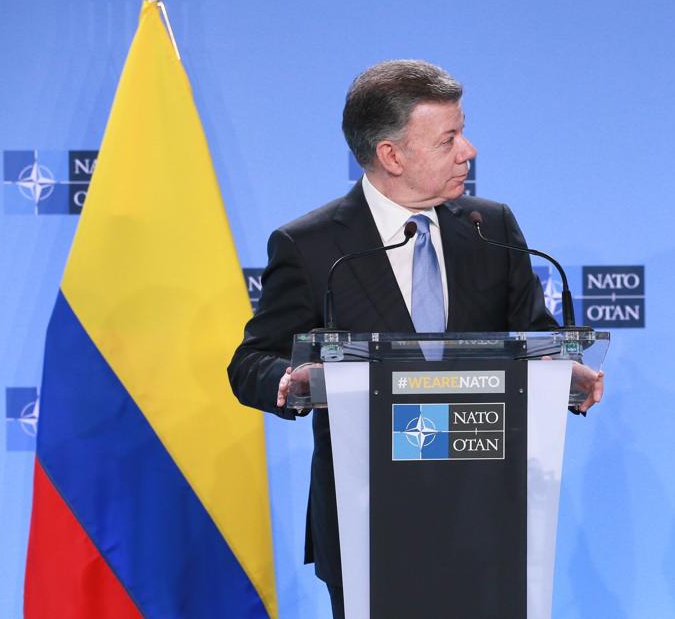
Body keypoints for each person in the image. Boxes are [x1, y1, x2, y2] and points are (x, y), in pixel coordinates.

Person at [228, 59, 603, 618]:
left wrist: (562, 375)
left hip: (487, 517)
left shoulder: (489, 227)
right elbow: (250, 360)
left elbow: (536, 338)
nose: (468, 150)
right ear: (391, 155)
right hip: (370, 520)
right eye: (448, 138)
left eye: (463, 131)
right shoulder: (310, 246)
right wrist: (291, 381)